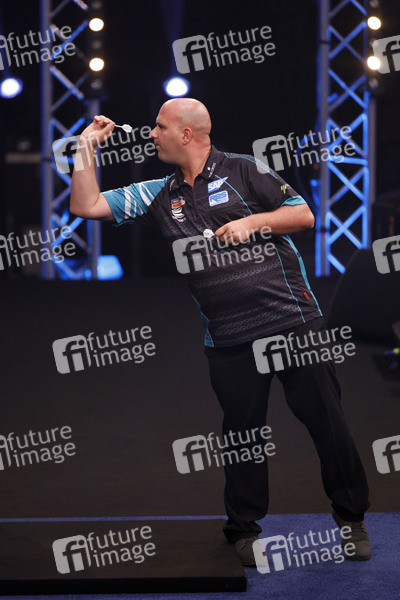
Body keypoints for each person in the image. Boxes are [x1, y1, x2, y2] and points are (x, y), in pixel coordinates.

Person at [70, 98, 371, 567]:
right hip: (228, 340)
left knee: (327, 423)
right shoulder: (158, 193)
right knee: (242, 438)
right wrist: (85, 148)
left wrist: (253, 222)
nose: (151, 134)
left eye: (160, 127)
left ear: (186, 134)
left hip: (292, 323)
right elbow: (85, 205)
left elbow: (302, 214)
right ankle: (243, 530)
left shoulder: (244, 169)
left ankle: (351, 519)